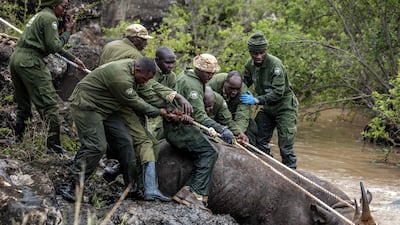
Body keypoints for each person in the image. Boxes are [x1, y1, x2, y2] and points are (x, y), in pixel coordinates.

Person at [58, 57, 178, 202]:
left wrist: (172, 105)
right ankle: (71, 185)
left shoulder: (134, 68)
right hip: (87, 105)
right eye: (144, 78)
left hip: (107, 108)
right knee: (96, 146)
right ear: (137, 70)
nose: (145, 82)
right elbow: (137, 103)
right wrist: (160, 112)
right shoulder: (121, 79)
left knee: (126, 142)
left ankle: (131, 188)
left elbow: (147, 90)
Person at [98, 26, 191, 201]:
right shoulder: (137, 59)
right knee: (145, 142)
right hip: (124, 103)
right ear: (133, 38)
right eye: (143, 39)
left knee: (131, 141)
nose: (146, 43)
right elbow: (146, 91)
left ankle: (124, 175)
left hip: (109, 99)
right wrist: (167, 107)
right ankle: (143, 187)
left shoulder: (111, 46)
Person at [9, 0, 87, 154]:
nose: (65, 10)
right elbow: (54, 46)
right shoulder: (49, 17)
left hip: (17, 59)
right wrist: (67, 34)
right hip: (31, 62)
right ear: (54, 5)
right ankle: (54, 148)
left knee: (23, 105)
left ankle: (18, 141)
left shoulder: (41, 15)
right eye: (63, 7)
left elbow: (46, 40)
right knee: (50, 106)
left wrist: (62, 29)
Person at [164, 53, 235, 211]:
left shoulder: (192, 78)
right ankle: (194, 193)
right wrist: (221, 128)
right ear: (198, 69)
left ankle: (189, 190)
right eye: (208, 72)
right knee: (209, 152)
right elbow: (199, 115)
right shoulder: (192, 85)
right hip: (180, 128)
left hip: (182, 124)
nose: (210, 76)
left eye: (212, 73)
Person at [240, 30, 298, 169]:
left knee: (285, 144)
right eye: (255, 53)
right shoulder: (250, 64)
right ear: (250, 53)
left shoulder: (275, 65)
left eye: (262, 53)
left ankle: (292, 173)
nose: (259, 56)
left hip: (284, 107)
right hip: (267, 107)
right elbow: (244, 82)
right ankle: (270, 167)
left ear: (265, 51)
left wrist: (256, 100)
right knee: (258, 138)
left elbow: (278, 92)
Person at [207, 71, 251, 144]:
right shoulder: (214, 83)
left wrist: (238, 133)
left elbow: (242, 115)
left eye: (237, 89)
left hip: (231, 118)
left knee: (251, 129)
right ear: (225, 83)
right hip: (213, 115)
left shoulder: (243, 92)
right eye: (231, 88)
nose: (234, 92)